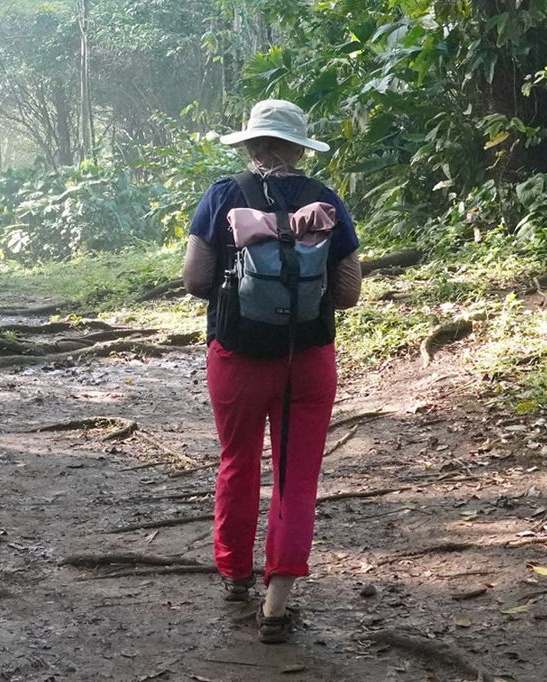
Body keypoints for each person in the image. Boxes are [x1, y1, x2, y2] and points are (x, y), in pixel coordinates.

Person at [181, 99, 363, 644]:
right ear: (300, 148)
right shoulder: (326, 200)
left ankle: (235, 575)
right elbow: (349, 293)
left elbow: (194, 279)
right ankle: (276, 606)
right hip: (307, 360)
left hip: (237, 357)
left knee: (238, 462)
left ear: (251, 145)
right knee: (296, 476)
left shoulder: (223, 195)